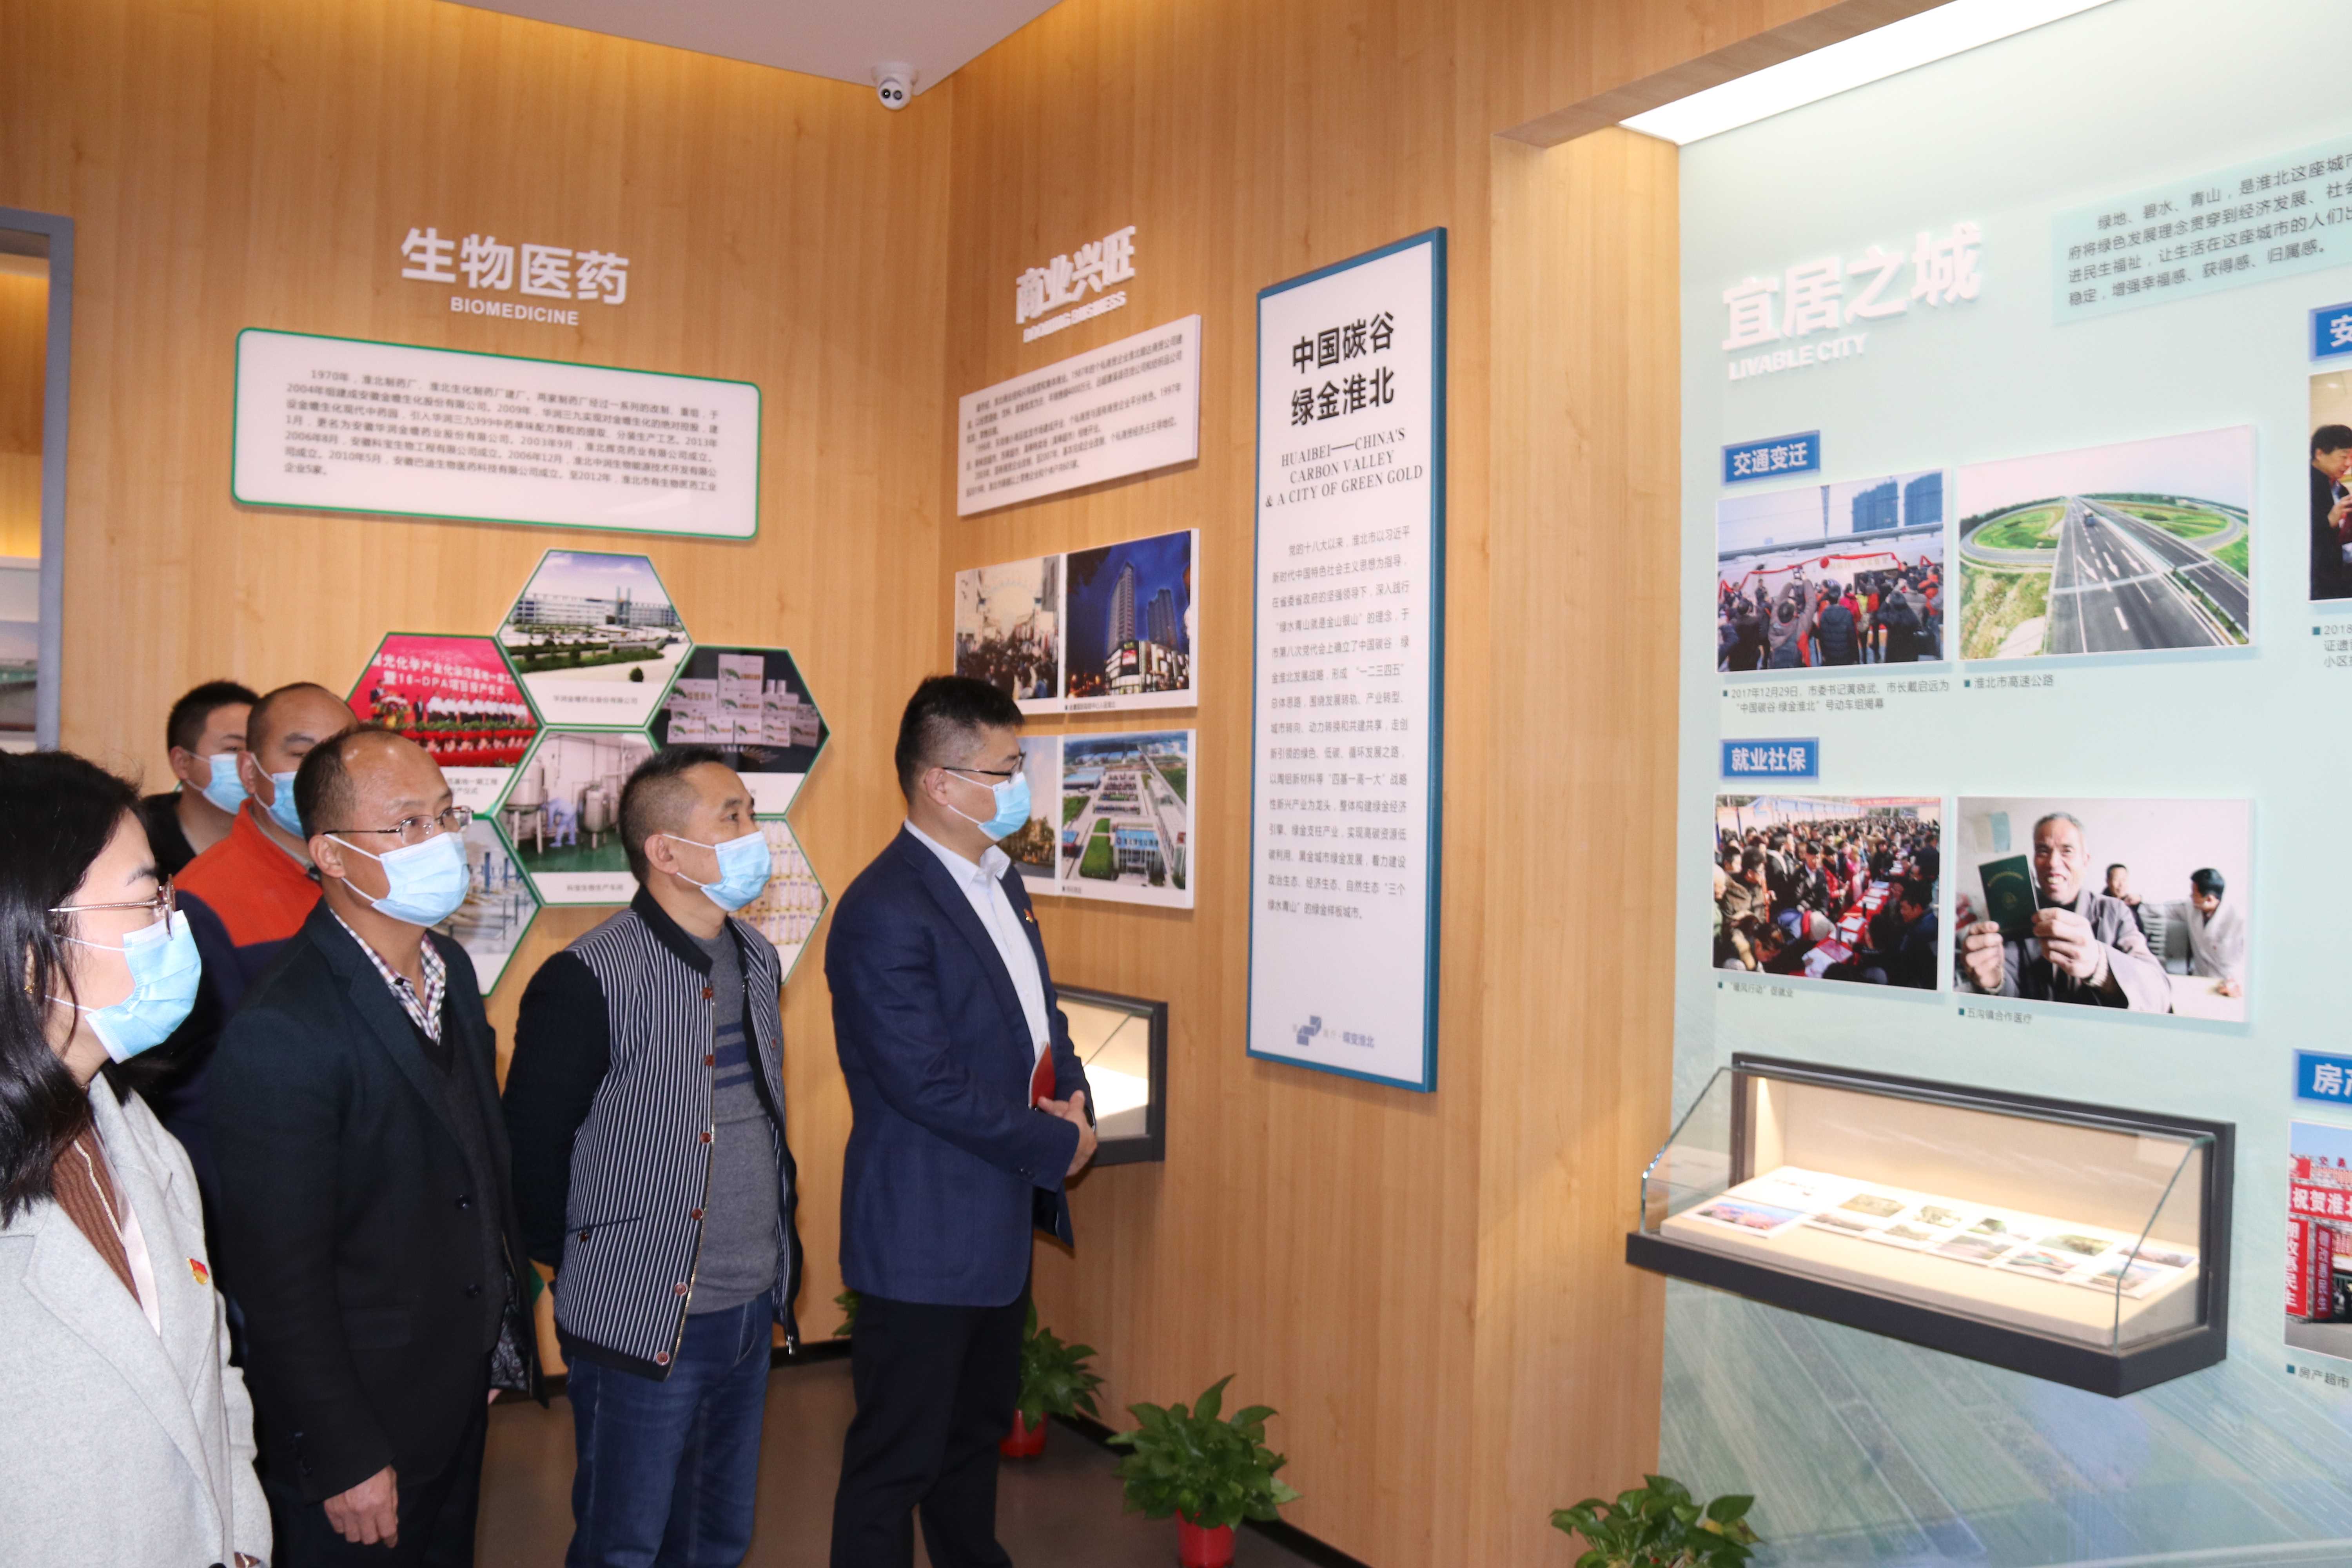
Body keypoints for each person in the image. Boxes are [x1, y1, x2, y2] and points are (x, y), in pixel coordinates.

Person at [209, 728, 537, 1566]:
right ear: (331, 854)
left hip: (457, 1378)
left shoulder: (450, 969)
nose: (441, 841)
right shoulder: (285, 1025)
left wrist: (497, 1339)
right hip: (361, 1418)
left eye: (445, 816)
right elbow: (277, 1277)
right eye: (407, 824)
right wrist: (344, 1450)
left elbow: (473, 1164)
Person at [504, 747, 803, 1568]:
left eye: (751, 812)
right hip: (640, 1317)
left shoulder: (757, 957)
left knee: (716, 1536)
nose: (755, 832)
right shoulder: (585, 976)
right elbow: (531, 1149)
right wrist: (585, 1267)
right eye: (732, 817)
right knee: (624, 1543)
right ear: (666, 850)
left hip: (749, 1305)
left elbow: (761, 1118)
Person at [826, 676, 1097, 1568]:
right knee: (896, 1462)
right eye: (1005, 769)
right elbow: (923, 1082)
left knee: (972, 1441)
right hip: (923, 1237)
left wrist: (1075, 1100)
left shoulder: (1000, 879)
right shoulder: (883, 908)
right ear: (940, 782)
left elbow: (1041, 1020)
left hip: (993, 1230)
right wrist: (1056, 1142)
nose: (1022, 785)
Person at [0, 750, 269, 1568]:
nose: (172, 924)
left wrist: (241, 1542)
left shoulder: (131, 1129)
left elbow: (209, 1373)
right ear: (29, 942)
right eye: (147, 898)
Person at [144, 679, 349, 1240]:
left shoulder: (366, 883)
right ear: (251, 772)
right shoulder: (202, 903)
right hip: (265, 1218)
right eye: (301, 754)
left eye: (338, 755)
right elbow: (193, 1096)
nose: (321, 774)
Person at [1955, 811, 2169, 1010]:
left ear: (2086, 861)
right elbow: (2013, 997)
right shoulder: (2018, 913)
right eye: (2043, 851)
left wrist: (2099, 965)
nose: (2053, 863)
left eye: (2067, 851)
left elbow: (2160, 995)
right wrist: (1993, 982)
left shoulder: (2114, 911)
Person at [138, 679, 259, 878]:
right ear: (183, 763)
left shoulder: (285, 841)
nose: (249, 763)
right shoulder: (137, 841)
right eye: (234, 749)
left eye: (257, 749)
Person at [2161, 867, 2245, 998]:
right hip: (2200, 981)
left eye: (2194, 894)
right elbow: (2164, 909)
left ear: (2210, 899)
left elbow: (2253, 964)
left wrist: (2238, 984)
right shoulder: (2191, 908)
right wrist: (2140, 901)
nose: (2191, 896)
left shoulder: (2240, 921)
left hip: (2230, 986)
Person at [2312, 424, 2352, 602]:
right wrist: (2328, 521)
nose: (2348, 464)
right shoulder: (2301, 486)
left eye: (2351, 458)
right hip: (2316, 587)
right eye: (2344, 457)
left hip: (2339, 580)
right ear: (2320, 454)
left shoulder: (2341, 490)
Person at [2103, 862, 2147, 938]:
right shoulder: (2101, 904)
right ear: (2108, 881)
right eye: (2116, 880)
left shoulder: (2132, 901)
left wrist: (2140, 898)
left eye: (2124, 880)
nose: (2121, 885)